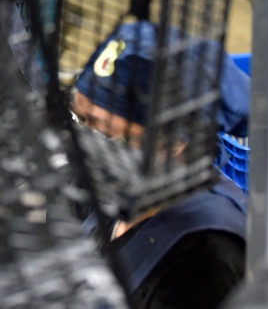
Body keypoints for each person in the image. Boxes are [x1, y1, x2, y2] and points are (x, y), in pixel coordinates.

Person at [72, 21, 250, 309]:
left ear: (176, 143)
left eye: (106, 132)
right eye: (82, 120)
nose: (88, 143)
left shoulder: (204, 254)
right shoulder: (101, 179)